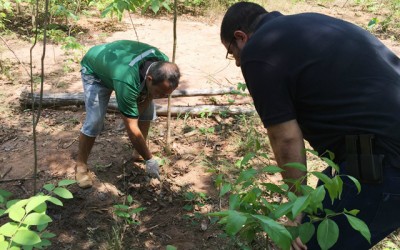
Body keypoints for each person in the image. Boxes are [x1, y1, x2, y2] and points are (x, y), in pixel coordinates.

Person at [220, 2, 400, 249]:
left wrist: (297, 209)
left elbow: (285, 137)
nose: (238, 63)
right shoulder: (313, 23)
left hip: (383, 159)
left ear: (240, 37)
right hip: (370, 148)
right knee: (324, 199)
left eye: (232, 53)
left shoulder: (260, 48)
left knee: (310, 242)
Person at [75, 40, 180, 189]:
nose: (161, 97)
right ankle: (81, 165)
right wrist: (150, 159)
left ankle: (138, 152)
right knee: (95, 121)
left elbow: (149, 97)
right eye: (160, 92)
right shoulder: (127, 81)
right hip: (95, 71)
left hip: (116, 65)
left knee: (148, 111)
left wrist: (134, 113)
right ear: (149, 79)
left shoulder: (162, 64)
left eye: (166, 94)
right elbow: (131, 128)